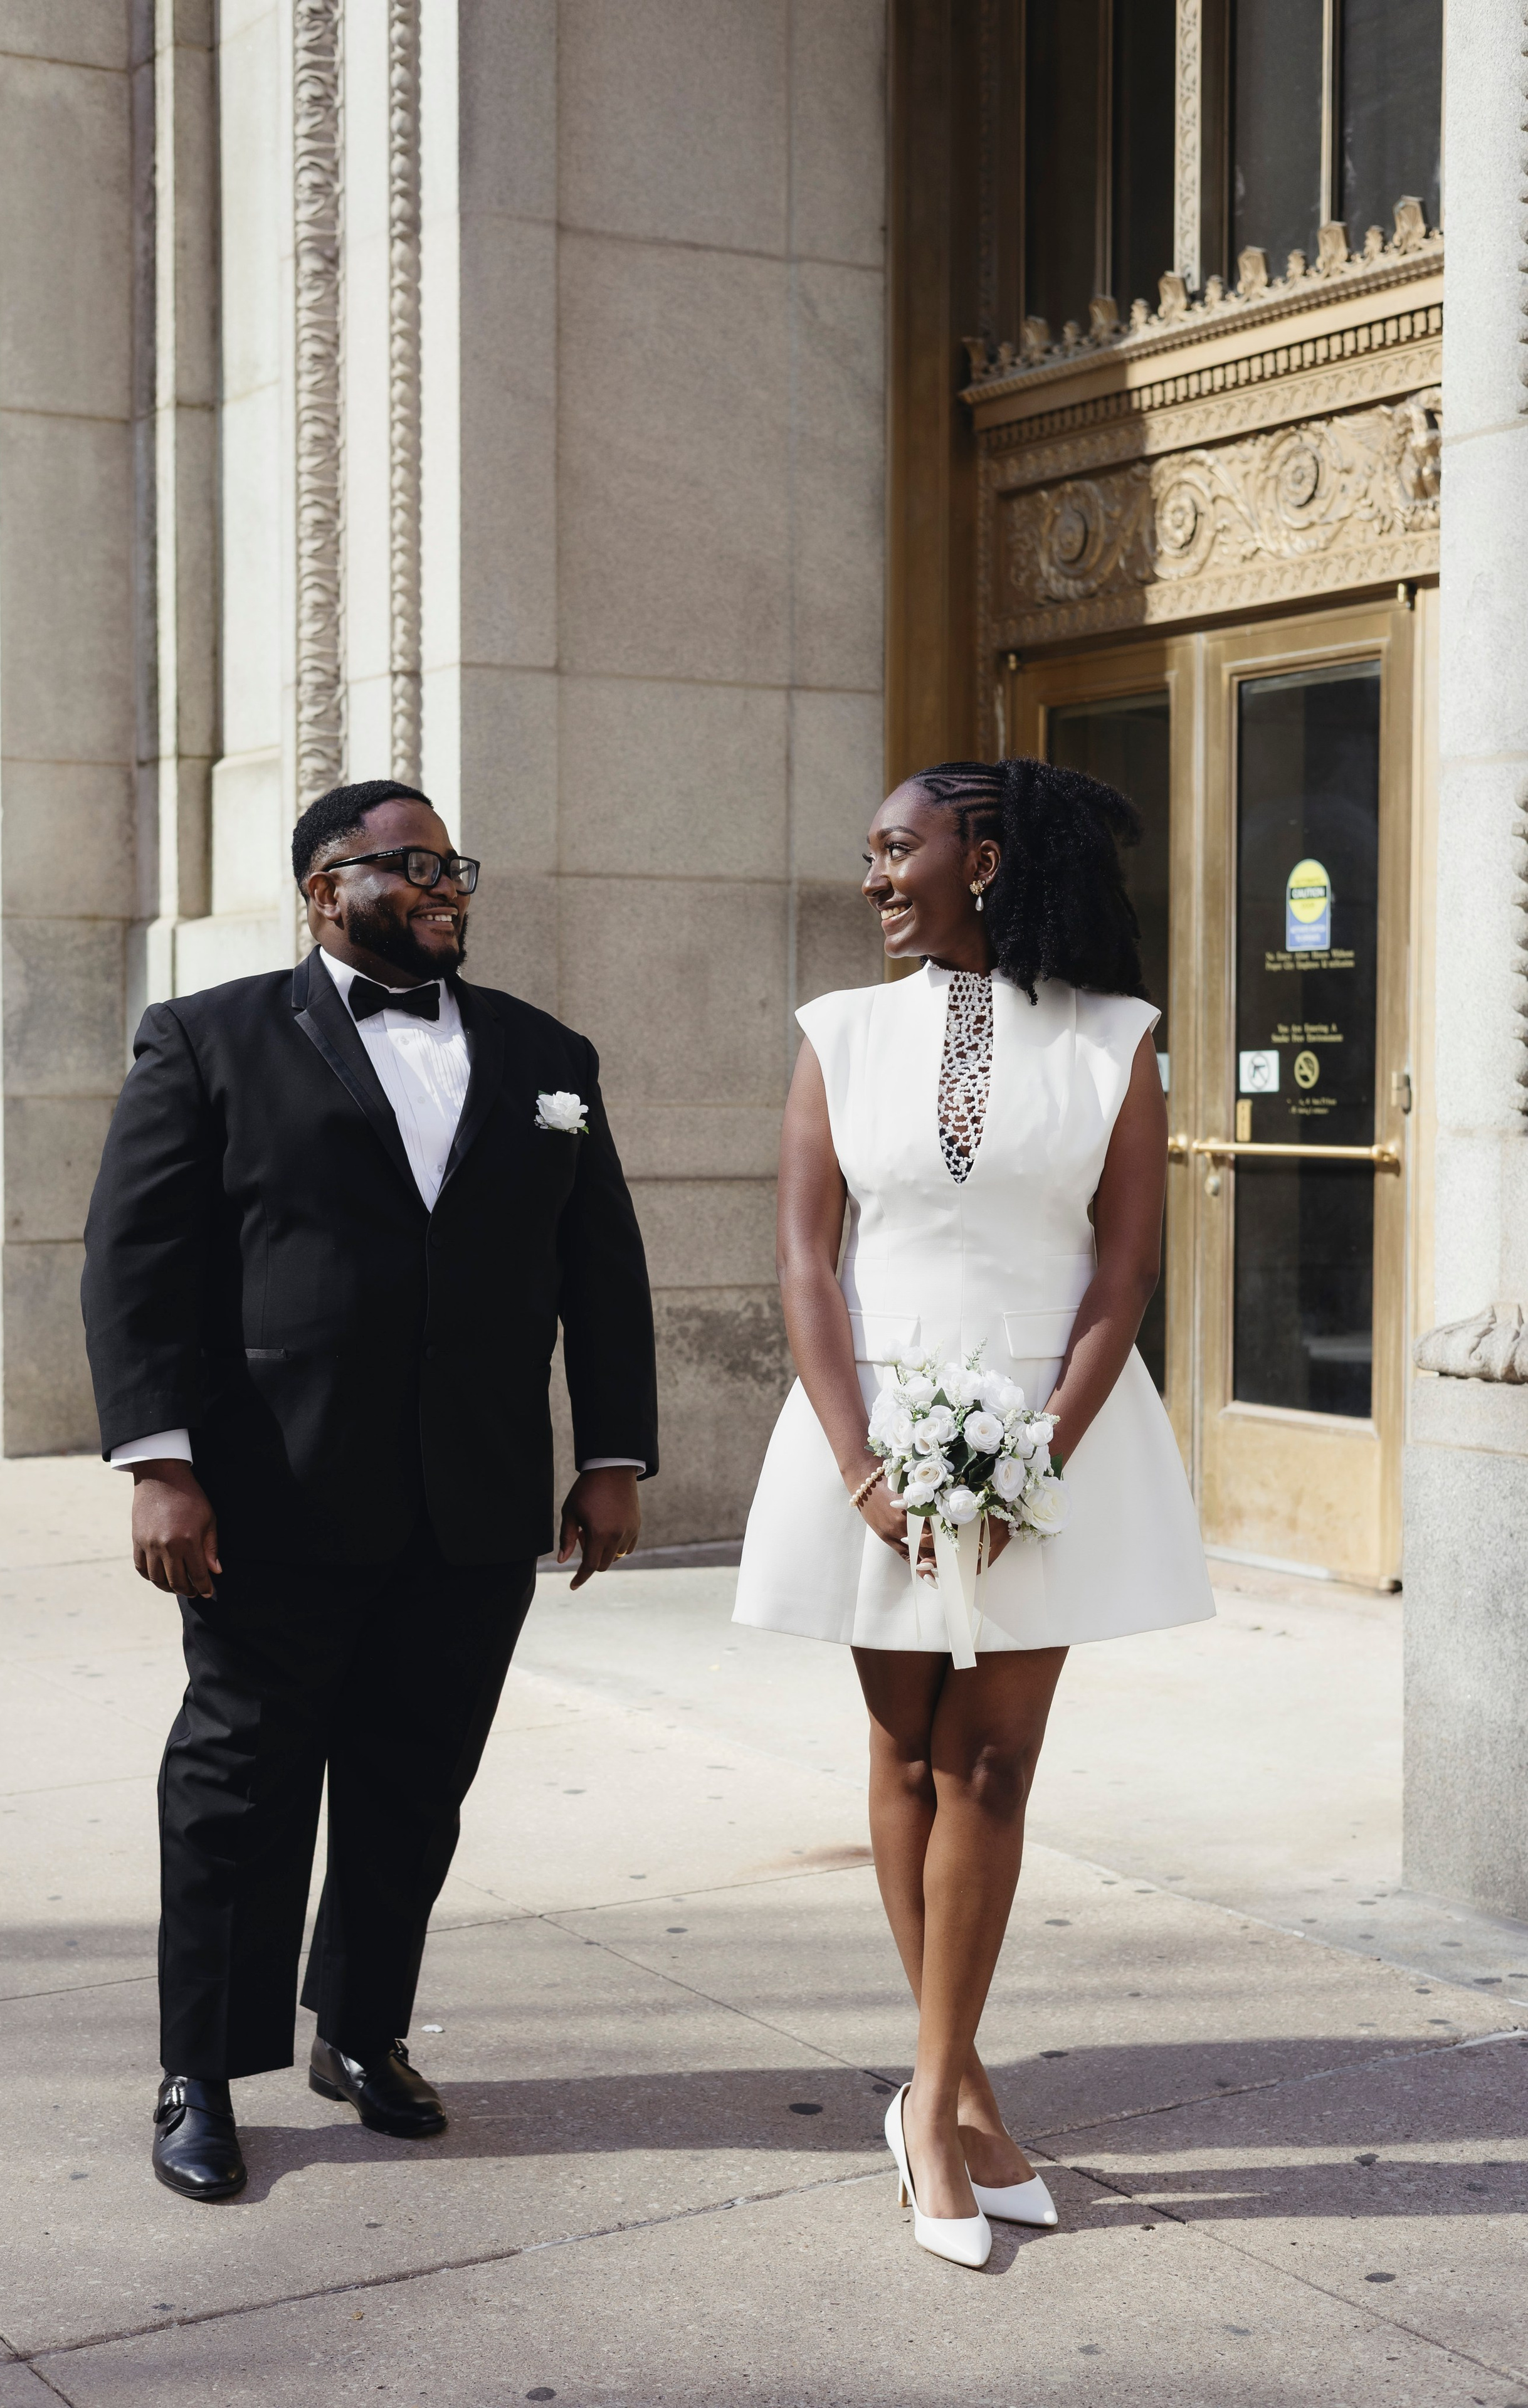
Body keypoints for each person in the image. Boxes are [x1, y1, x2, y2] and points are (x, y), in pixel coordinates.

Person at [82, 779, 658, 2202]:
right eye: (406, 864)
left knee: (413, 1783)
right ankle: (201, 2073)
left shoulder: (546, 1050)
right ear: (320, 887)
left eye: (452, 861)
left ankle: (362, 2031)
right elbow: (133, 1267)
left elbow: (603, 1271)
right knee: (238, 1787)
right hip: (269, 1494)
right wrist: (160, 1464)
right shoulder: (206, 1039)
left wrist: (609, 1455)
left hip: (470, 1503)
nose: (442, 883)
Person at [732, 758, 1213, 2269]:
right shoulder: (840, 1032)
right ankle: (960, 2098)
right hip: (865, 1423)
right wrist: (862, 1463)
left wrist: (1034, 1463)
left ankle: (928, 2107)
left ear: (983, 857)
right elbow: (808, 1265)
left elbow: (1118, 1276)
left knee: (987, 1763)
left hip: (1045, 1432)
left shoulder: (1113, 1038)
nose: (875, 877)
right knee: (898, 1751)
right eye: (871, 854)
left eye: (899, 848)